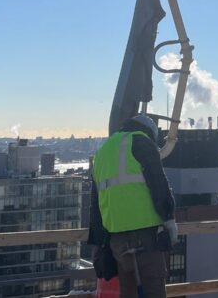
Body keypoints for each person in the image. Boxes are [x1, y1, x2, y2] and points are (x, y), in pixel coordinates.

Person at [88, 114, 177, 298]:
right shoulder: (141, 141)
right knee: (154, 291)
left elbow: (95, 204)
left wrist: (97, 243)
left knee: (128, 293)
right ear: (149, 132)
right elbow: (158, 183)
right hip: (146, 238)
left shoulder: (103, 151)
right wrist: (169, 219)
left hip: (117, 242)